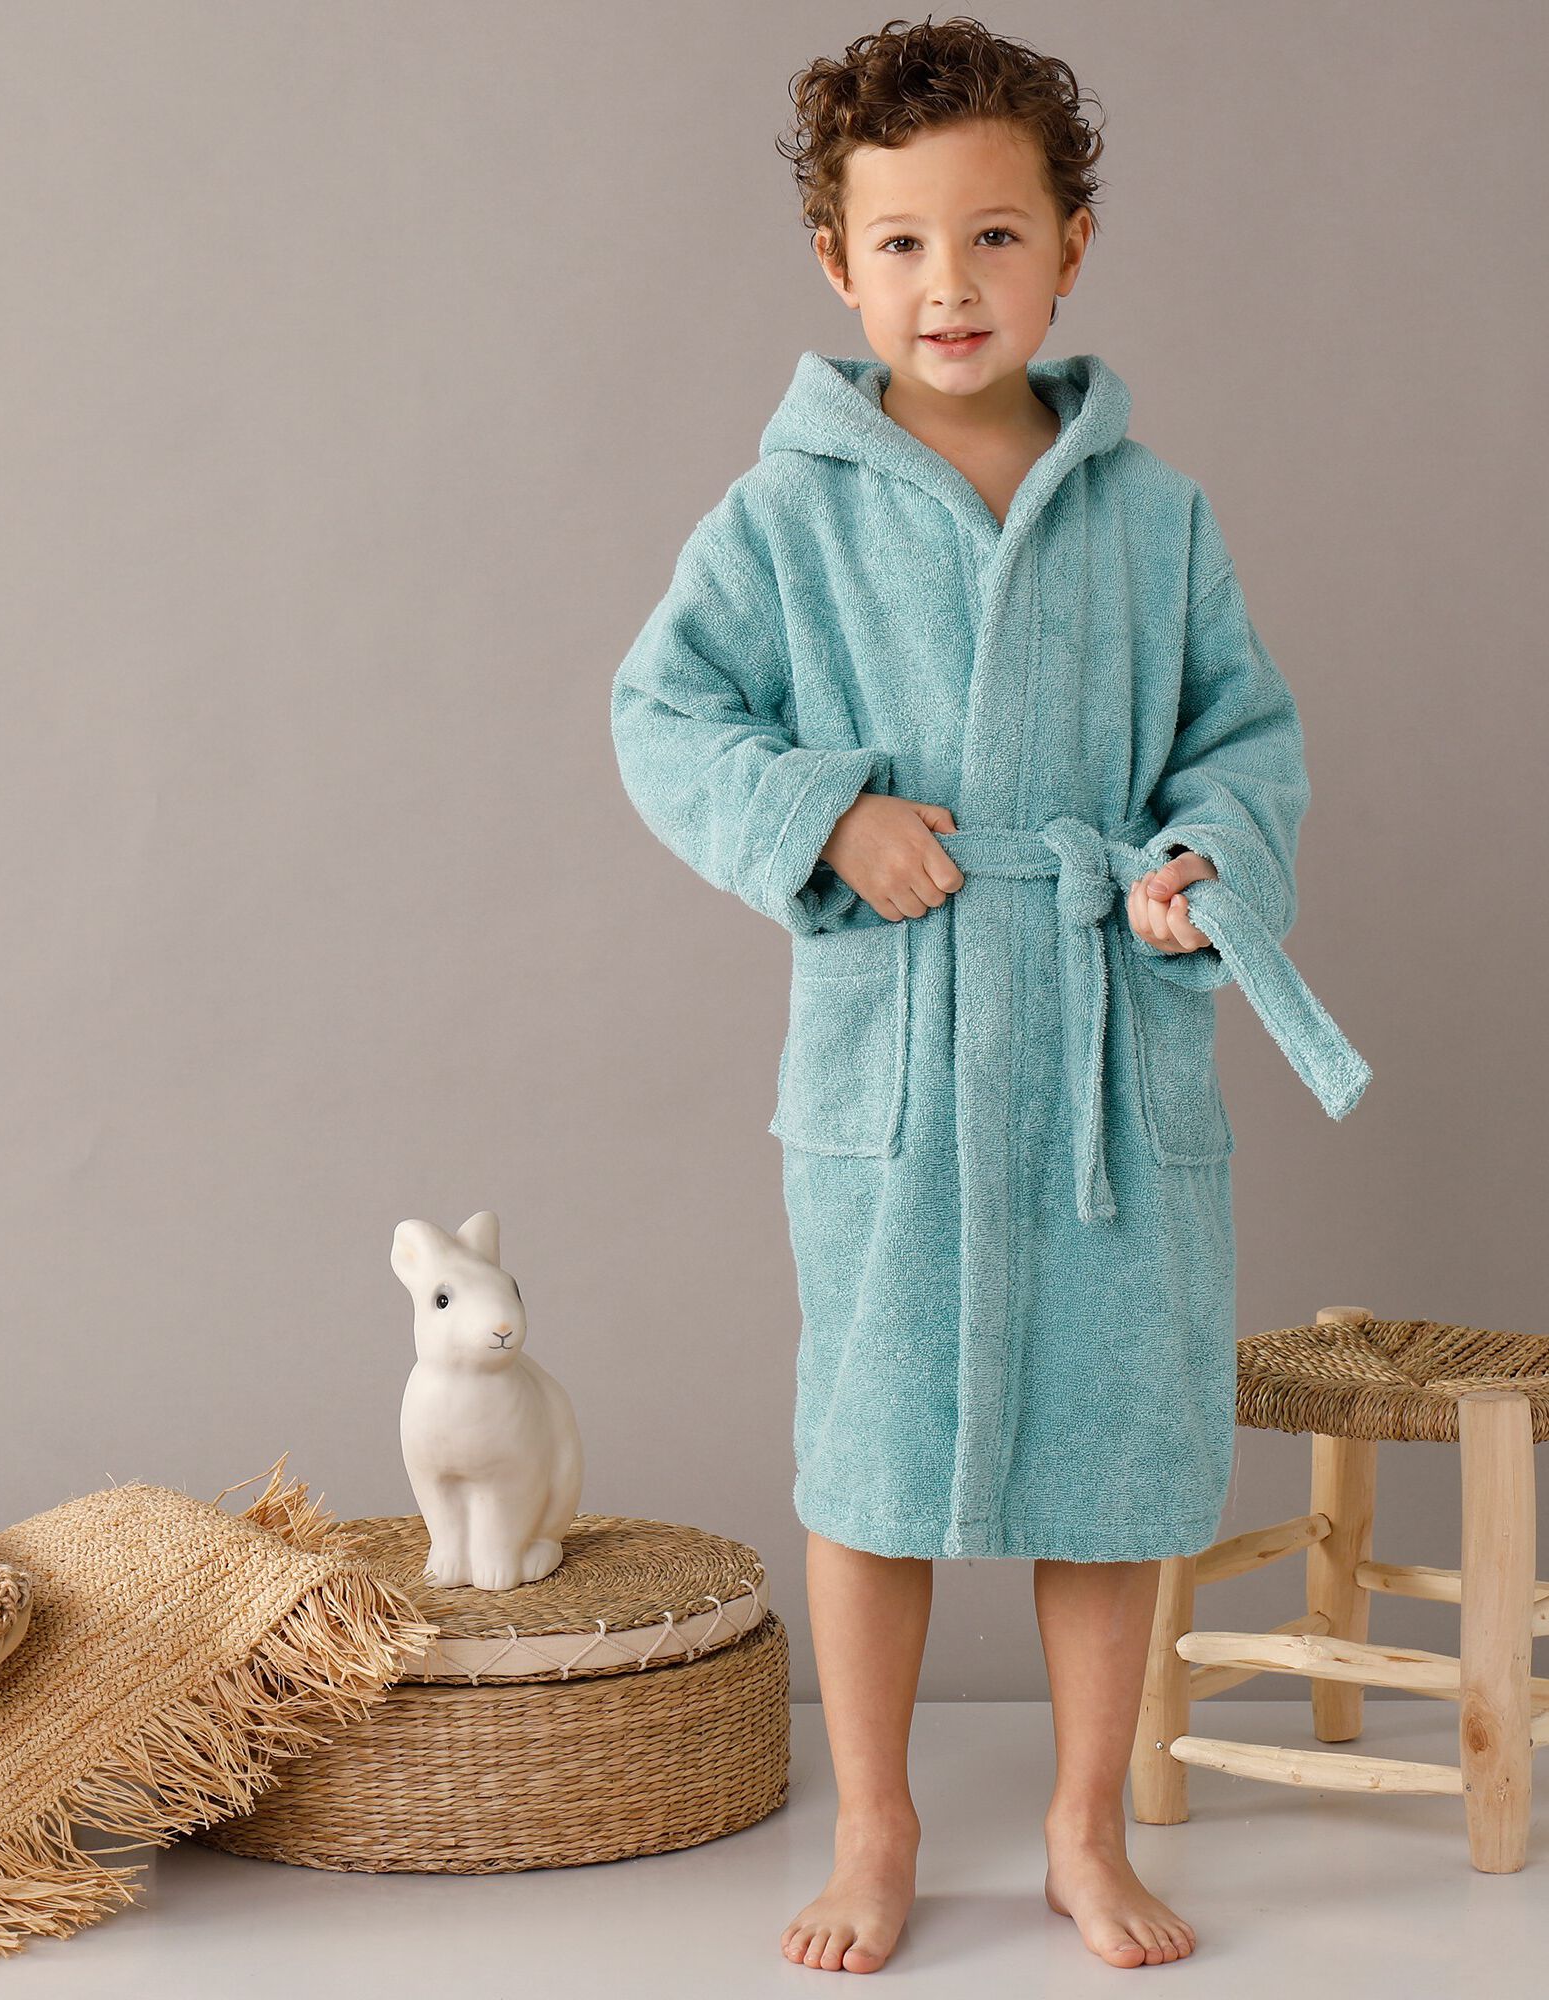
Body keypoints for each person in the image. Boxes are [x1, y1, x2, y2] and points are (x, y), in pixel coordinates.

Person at [610, 13, 1367, 1977]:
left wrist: (1202, 863)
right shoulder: (787, 513)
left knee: (1114, 1463)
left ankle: (1081, 1827)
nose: (950, 284)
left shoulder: (1155, 515)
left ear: (1073, 247)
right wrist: (827, 816)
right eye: (902, 244)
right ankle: (876, 1827)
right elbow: (663, 714)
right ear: (836, 263)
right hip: (902, 1051)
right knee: (872, 1454)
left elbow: (1244, 738)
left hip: (1107, 1050)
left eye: (996, 236)